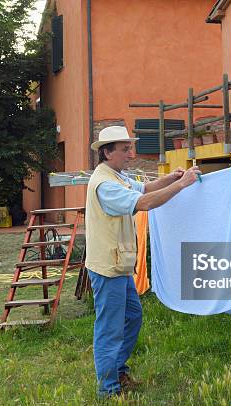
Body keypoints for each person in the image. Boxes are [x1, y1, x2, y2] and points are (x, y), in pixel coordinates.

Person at [85, 125, 201, 397]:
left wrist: (172, 178)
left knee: (132, 317)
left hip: (119, 264)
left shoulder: (115, 176)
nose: (131, 153)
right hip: (109, 268)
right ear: (107, 152)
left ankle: (118, 371)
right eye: (125, 149)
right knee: (109, 329)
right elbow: (145, 202)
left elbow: (145, 187)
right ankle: (109, 389)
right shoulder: (105, 185)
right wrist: (182, 185)